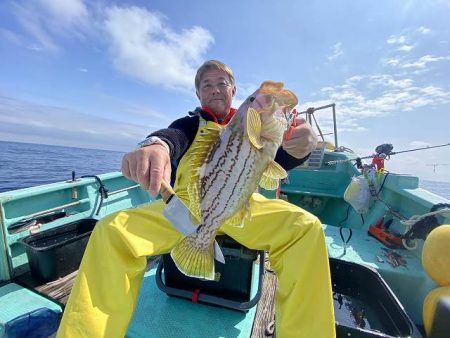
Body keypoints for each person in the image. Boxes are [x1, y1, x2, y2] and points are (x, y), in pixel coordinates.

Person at [57, 60, 335, 338]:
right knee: (111, 230)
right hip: (187, 207)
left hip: (244, 207)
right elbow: (172, 136)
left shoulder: (260, 123)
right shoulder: (190, 124)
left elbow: (281, 160)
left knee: (306, 229)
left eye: (221, 84)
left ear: (233, 90)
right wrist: (156, 145)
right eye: (207, 85)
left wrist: (302, 148)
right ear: (199, 94)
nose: (215, 90)